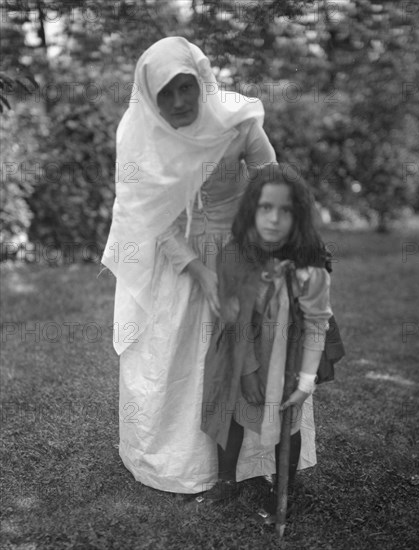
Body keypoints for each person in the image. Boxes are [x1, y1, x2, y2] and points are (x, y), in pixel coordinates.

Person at [101, 36, 277, 494]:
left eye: (186, 88)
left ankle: (249, 463)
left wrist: (255, 247)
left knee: (245, 352)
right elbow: (150, 218)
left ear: (201, 81)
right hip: (175, 255)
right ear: (151, 96)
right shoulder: (142, 138)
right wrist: (198, 270)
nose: (179, 102)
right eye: (167, 93)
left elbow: (271, 185)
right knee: (172, 355)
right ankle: (175, 461)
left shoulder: (238, 122)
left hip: (239, 249)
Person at [201, 162, 345, 517]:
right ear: (252, 209)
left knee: (289, 420)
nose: (274, 219)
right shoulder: (234, 256)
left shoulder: (311, 266)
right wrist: (248, 371)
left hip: (290, 357)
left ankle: (284, 487)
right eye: (266, 207)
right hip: (246, 350)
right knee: (235, 412)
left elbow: (316, 323)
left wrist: (305, 380)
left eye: (286, 210)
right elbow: (233, 320)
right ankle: (226, 479)